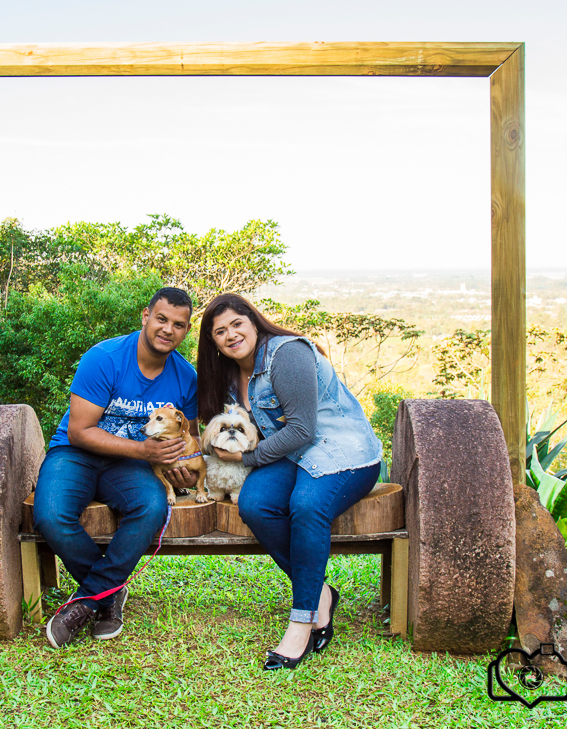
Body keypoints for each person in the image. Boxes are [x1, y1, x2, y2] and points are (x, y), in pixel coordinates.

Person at [197, 293, 383, 670]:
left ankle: (301, 623)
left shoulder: (287, 354)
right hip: (292, 455)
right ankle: (321, 593)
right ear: (212, 341)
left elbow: (301, 429)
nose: (231, 335)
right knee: (255, 504)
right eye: (220, 331)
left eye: (237, 324)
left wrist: (245, 458)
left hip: (342, 451)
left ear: (253, 322)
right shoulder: (230, 374)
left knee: (307, 506)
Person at [34, 287, 200, 648]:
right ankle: (109, 592)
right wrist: (144, 450)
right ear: (146, 316)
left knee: (152, 506)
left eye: (179, 324)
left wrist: (183, 468)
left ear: (187, 330)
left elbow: (191, 438)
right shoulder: (104, 358)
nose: (168, 329)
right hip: (75, 453)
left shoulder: (186, 377)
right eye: (161, 319)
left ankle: (89, 599)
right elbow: (80, 431)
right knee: (50, 515)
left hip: (130, 465)